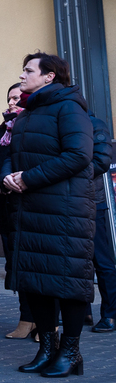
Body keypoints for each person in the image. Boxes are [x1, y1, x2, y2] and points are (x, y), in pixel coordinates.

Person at [2, 53, 95, 377]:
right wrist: (7, 178)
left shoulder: (69, 107)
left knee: (68, 282)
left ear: (49, 76)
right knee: (36, 280)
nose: (22, 74)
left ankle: (70, 353)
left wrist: (28, 178)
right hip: (31, 209)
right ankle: (47, 349)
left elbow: (79, 155)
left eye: (28, 70)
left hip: (65, 211)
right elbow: (10, 152)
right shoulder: (28, 111)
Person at [0, 83, 34, 339]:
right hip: (5, 204)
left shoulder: (31, 128)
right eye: (9, 98)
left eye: (17, 98)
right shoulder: (0, 131)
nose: (11, 102)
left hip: (31, 205)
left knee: (37, 264)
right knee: (14, 264)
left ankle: (48, 323)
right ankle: (26, 318)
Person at [88, 112, 116, 333]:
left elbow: (102, 161)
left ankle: (110, 314)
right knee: (76, 262)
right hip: (69, 203)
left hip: (93, 201)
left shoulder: (95, 124)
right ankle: (83, 311)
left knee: (102, 261)